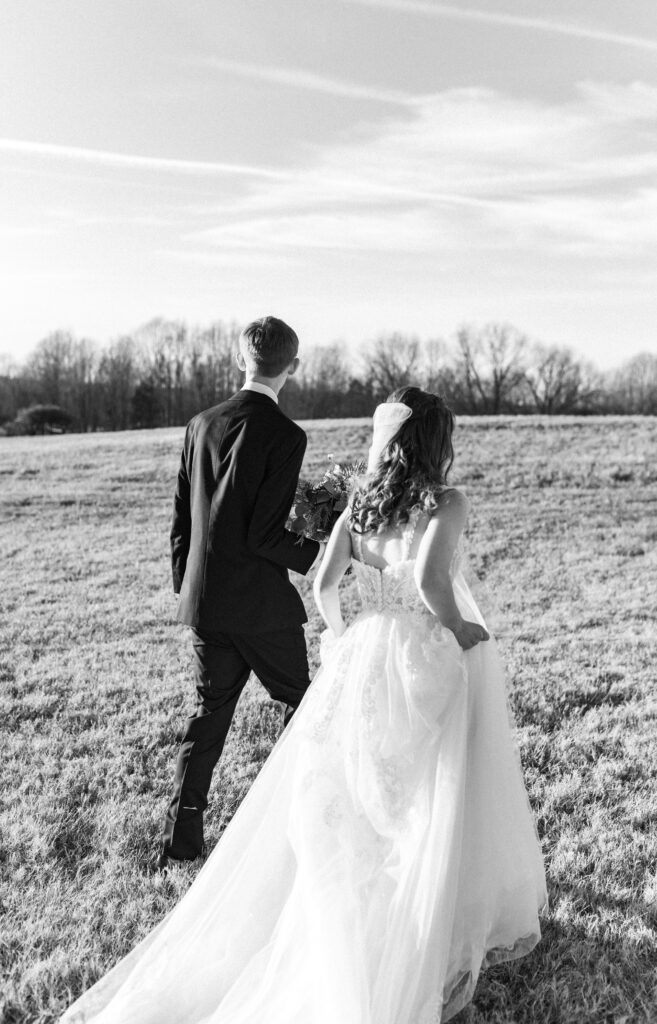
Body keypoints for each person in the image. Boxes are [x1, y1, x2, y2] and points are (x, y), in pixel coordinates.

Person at [61, 387, 546, 1024]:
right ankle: (419, 922)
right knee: (423, 794)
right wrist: (461, 632)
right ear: (436, 443)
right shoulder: (445, 503)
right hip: (415, 660)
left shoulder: (358, 510)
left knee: (355, 795)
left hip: (362, 656)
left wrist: (348, 636)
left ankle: (366, 911)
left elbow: (322, 587)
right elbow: (431, 586)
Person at [157, 315, 322, 870]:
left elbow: (182, 520)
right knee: (308, 706)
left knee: (208, 716)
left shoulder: (200, 423)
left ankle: (182, 844)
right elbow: (266, 534)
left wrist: (191, 589)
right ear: (292, 367)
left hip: (206, 604)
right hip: (261, 608)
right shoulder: (286, 435)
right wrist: (324, 557)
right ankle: (292, 823)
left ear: (239, 360)